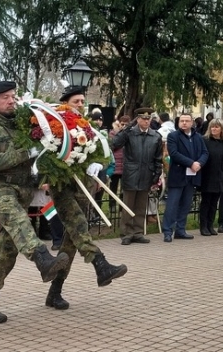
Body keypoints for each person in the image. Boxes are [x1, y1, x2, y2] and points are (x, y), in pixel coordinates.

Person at [0, 81, 71, 323]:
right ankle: (42, 258)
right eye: (4, 97)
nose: (10, 100)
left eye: (12, 96)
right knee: (19, 222)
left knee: (7, 250)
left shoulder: (24, 125)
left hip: (23, 189)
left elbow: (44, 146)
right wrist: (27, 152)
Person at [43, 85, 128, 310]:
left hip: (84, 189)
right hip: (63, 188)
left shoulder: (88, 127)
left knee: (71, 245)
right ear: (66, 103)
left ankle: (55, 293)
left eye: (82, 101)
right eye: (76, 101)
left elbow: (104, 152)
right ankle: (101, 265)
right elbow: (46, 155)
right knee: (80, 228)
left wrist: (98, 163)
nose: (81, 105)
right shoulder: (55, 125)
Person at [111, 107, 164, 245]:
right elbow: (115, 143)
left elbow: (158, 158)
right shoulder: (130, 133)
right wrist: (126, 129)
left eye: (148, 119)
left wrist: (157, 173)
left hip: (147, 173)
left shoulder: (155, 136)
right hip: (131, 173)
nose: (146, 121)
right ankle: (127, 233)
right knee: (128, 205)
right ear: (138, 120)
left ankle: (138, 232)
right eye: (143, 119)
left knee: (141, 206)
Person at [162, 113, 208, 242]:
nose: (184, 123)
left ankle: (180, 230)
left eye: (187, 121)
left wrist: (199, 163)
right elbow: (174, 153)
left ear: (192, 122)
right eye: (182, 121)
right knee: (172, 204)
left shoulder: (198, 137)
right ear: (178, 122)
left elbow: (205, 152)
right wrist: (191, 163)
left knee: (186, 204)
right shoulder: (173, 136)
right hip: (178, 174)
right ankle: (167, 230)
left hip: (192, 175)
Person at [199, 119, 223, 236]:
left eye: (216, 127)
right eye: (212, 127)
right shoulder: (204, 140)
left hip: (221, 176)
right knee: (206, 202)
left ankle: (210, 225)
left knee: (214, 202)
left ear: (222, 129)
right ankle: (203, 226)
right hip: (207, 176)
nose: (214, 129)